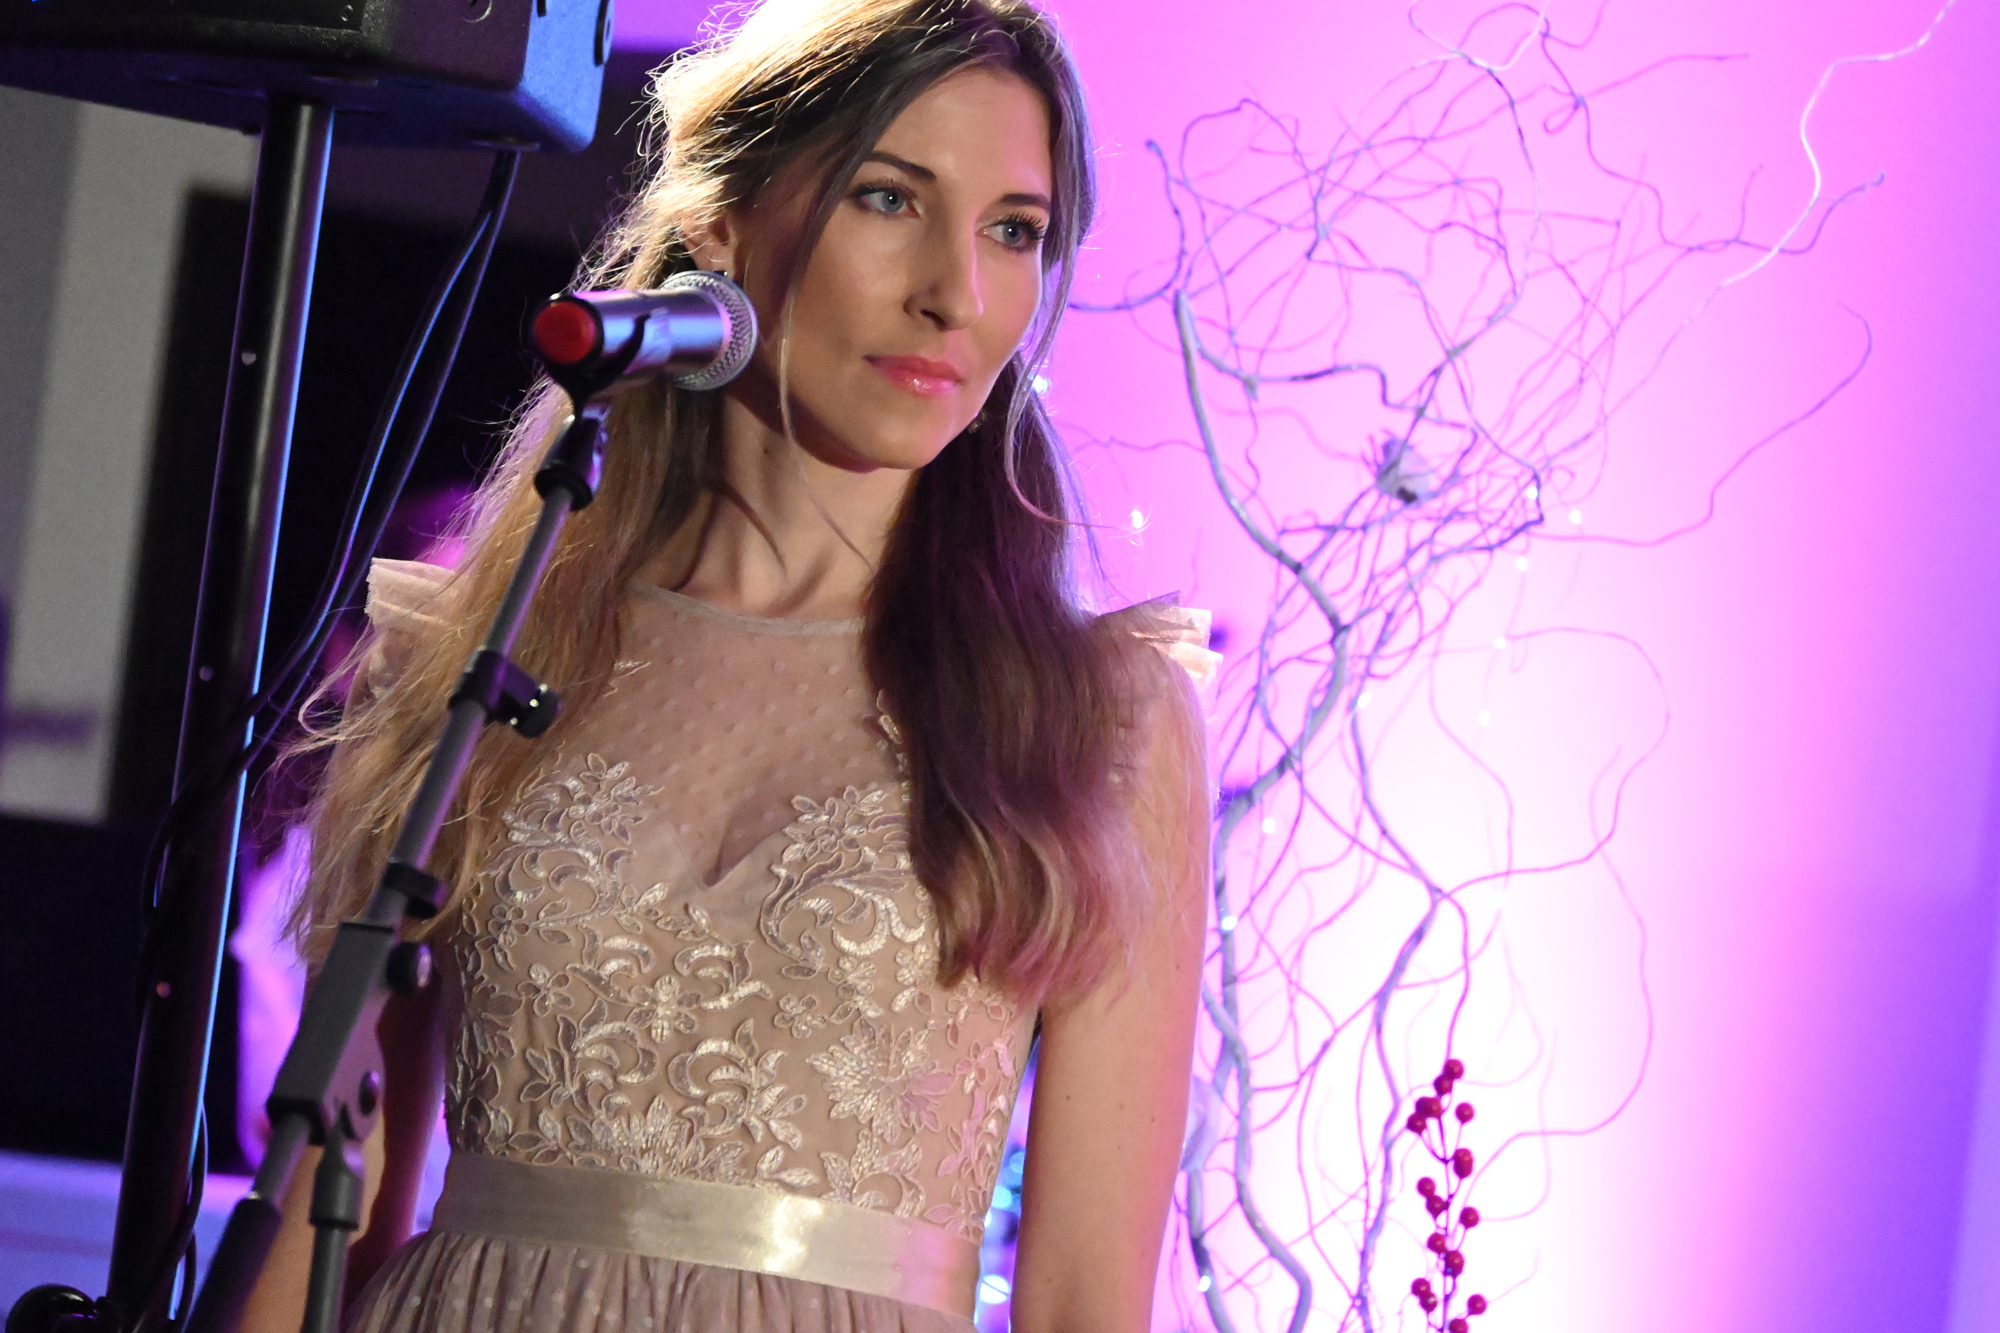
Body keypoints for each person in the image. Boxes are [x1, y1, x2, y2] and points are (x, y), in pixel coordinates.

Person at [249, 0, 1215, 1328]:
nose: (956, 293)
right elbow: (324, 1201)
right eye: (890, 198)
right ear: (723, 225)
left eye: (1015, 231)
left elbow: (1088, 1299)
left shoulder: (1095, 720)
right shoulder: (484, 652)